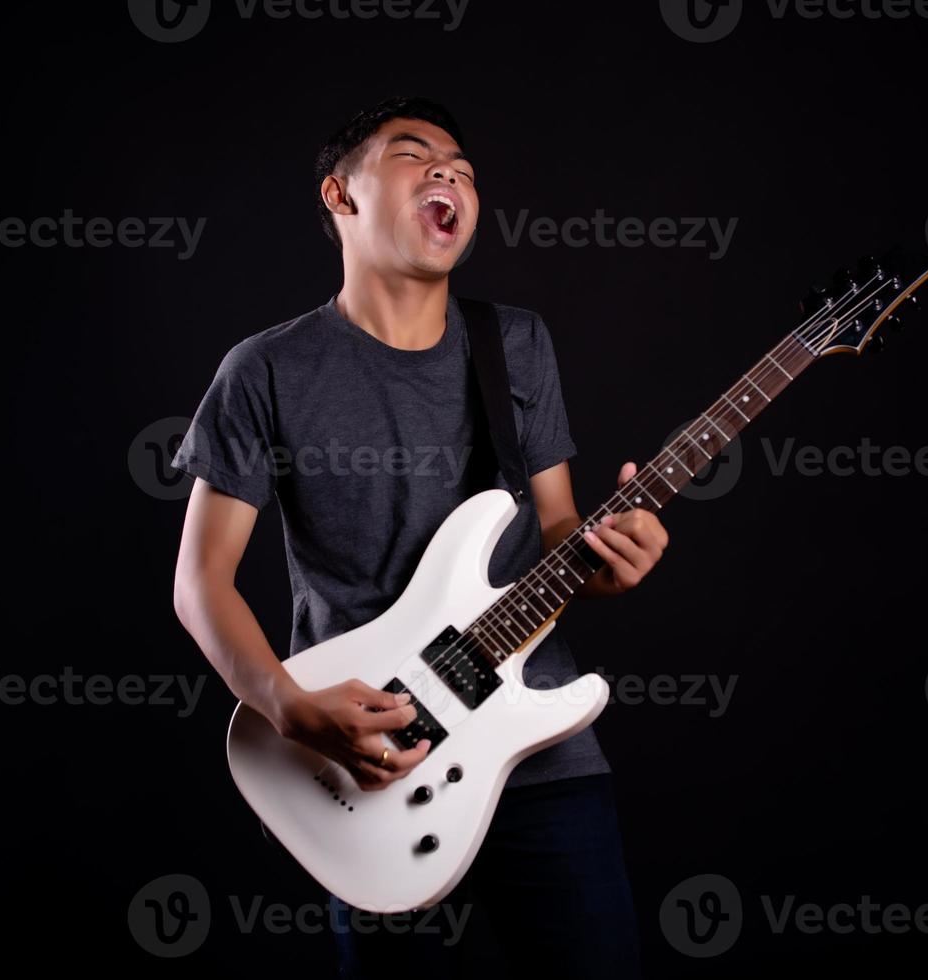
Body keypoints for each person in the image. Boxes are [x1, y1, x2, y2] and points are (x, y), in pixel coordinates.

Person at [171, 95, 667, 978]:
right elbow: (201, 582)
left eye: (463, 168)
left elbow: (558, 535)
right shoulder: (265, 370)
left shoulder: (515, 343)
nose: (449, 171)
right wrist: (292, 708)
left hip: (541, 761)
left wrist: (611, 556)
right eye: (414, 155)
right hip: (371, 760)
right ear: (339, 195)